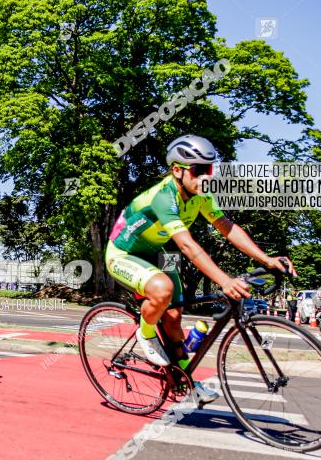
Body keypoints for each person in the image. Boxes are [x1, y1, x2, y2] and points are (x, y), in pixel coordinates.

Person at [105, 134, 296, 403]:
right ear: (177, 170)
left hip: (158, 251)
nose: (205, 176)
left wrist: (266, 260)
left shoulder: (201, 195)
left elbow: (227, 228)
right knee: (163, 290)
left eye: (209, 169)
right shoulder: (163, 197)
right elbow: (188, 247)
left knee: (174, 315)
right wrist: (224, 280)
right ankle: (146, 334)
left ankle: (186, 381)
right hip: (123, 252)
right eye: (198, 170)